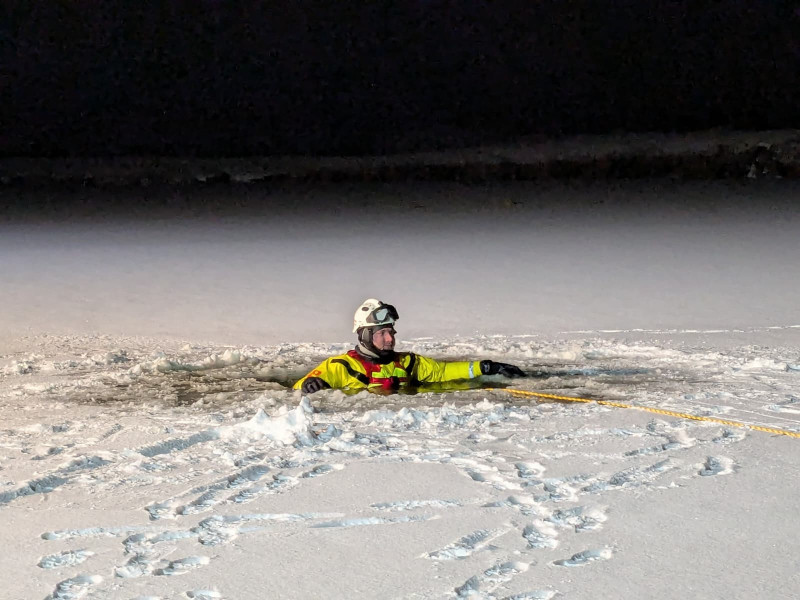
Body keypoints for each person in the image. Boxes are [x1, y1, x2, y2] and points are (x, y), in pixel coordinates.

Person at [293, 298, 525, 394]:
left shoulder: (408, 362)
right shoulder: (340, 366)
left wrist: (486, 367)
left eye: (391, 332)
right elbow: (299, 388)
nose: (390, 339)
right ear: (365, 334)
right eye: (382, 333)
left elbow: (443, 372)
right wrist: (312, 384)